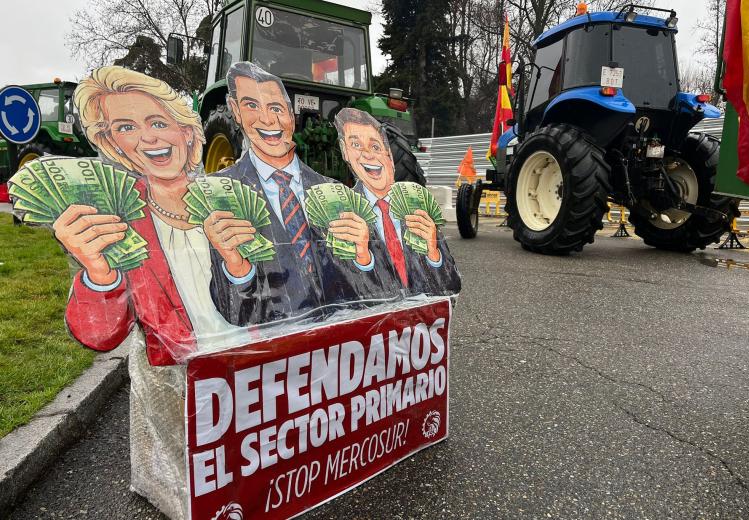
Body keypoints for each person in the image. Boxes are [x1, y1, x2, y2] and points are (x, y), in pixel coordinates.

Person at [61, 66, 240, 519]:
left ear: (185, 130)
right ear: (110, 143)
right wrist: (99, 271)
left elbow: (274, 292)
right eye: (125, 126)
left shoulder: (228, 198)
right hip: (173, 381)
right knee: (192, 494)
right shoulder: (112, 218)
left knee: (244, 478)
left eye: (157, 122)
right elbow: (102, 335)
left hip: (245, 372)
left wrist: (240, 266)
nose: (146, 138)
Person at [206, 61, 393, 327]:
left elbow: (377, 294)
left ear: (291, 115)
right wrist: (236, 267)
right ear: (234, 110)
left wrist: (363, 255)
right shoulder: (218, 198)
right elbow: (226, 313)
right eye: (251, 105)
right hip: (268, 348)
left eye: (276, 108)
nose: (268, 119)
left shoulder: (335, 192)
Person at [335, 108, 461, 296]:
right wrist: (363, 257)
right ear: (345, 153)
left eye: (376, 146)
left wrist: (433, 253)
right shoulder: (341, 217)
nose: (368, 154)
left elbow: (451, 285)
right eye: (357, 145)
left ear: (389, 154)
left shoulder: (415, 207)